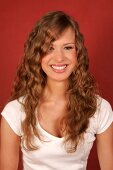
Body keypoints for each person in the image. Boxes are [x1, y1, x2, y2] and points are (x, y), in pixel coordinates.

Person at [0, 11, 113, 170]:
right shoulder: (15, 112)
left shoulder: (100, 109)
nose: (59, 58)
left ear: (78, 53)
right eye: (49, 48)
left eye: (67, 47)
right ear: (37, 54)